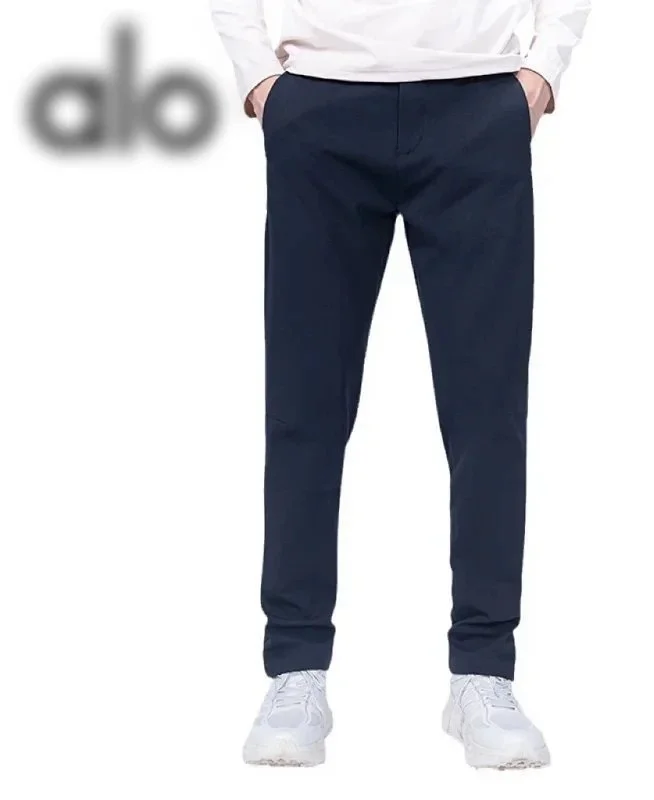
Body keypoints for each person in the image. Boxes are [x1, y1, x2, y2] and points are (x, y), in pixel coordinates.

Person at [211, 0, 590, 769]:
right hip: (320, 102)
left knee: (486, 408)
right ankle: (295, 667)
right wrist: (255, 74)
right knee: (305, 404)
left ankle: (484, 671)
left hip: (478, 102)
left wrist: (545, 67)